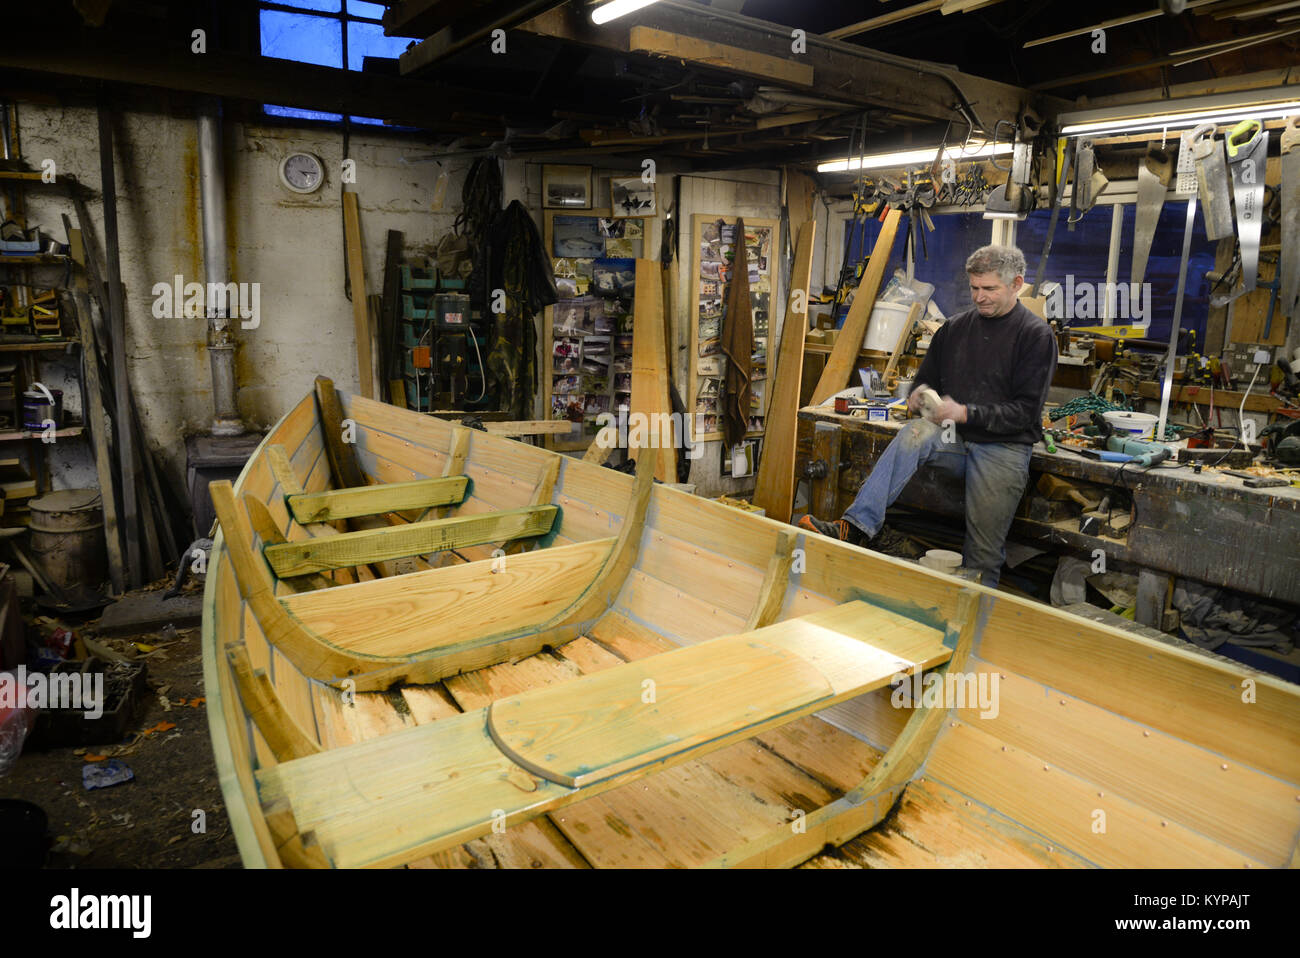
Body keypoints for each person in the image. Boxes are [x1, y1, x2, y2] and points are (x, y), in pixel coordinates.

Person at [797, 245, 1057, 587]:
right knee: (915, 432)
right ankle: (857, 527)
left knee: (982, 556)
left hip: (1003, 447)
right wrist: (919, 397)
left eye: (990, 289)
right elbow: (926, 380)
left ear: (1017, 284)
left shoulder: (1035, 336)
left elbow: (1025, 413)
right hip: (954, 438)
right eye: (974, 288)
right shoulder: (954, 329)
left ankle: (973, 628)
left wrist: (966, 412)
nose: (980, 297)